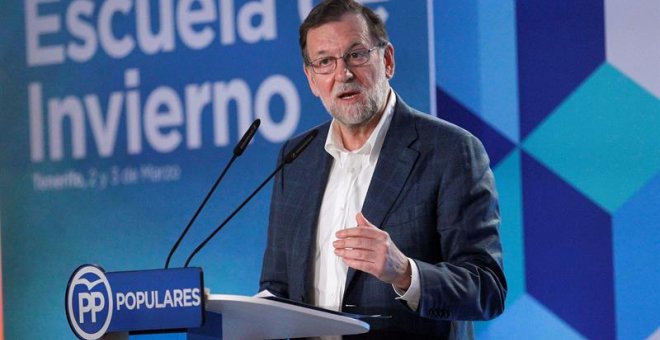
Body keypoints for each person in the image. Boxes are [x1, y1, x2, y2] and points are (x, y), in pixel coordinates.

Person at [259, 0, 506, 338]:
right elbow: (277, 286)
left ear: (387, 60)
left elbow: (487, 289)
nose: (343, 74)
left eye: (356, 55)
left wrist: (405, 272)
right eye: (325, 62)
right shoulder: (296, 157)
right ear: (311, 79)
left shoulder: (451, 151)